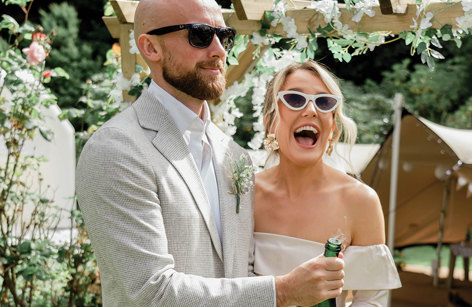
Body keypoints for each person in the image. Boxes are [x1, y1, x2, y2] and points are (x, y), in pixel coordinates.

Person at [75, 0, 344, 306]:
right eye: (200, 35)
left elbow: (241, 271)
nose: (219, 50)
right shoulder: (116, 150)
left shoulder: (234, 155)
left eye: (224, 36)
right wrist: (282, 291)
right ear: (150, 48)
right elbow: (150, 292)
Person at [253, 60, 402, 306]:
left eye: (323, 102)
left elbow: (372, 300)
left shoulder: (360, 201)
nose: (311, 110)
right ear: (270, 122)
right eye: (295, 98)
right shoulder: (244, 195)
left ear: (332, 127)